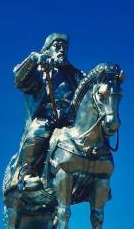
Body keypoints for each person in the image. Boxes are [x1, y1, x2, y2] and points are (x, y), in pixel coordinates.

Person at [12, 32, 84, 190]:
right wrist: (33, 59)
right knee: (37, 132)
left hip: (71, 119)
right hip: (47, 116)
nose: (62, 50)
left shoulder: (75, 74)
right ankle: (26, 174)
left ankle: (98, 174)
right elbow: (18, 79)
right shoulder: (40, 68)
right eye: (57, 46)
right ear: (47, 50)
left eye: (64, 47)